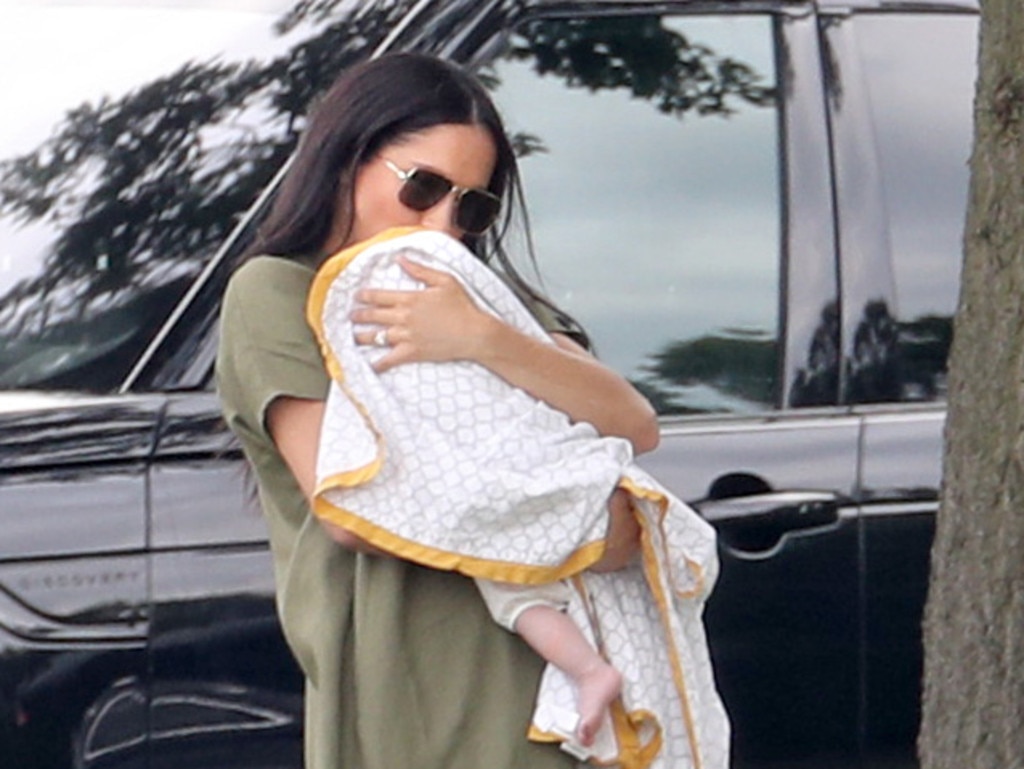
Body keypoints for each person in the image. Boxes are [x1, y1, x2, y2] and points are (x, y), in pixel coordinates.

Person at [216, 51, 660, 769]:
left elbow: (633, 423)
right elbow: (357, 505)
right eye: (422, 186)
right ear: (347, 158)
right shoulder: (276, 294)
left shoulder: (483, 299)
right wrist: (579, 519)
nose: (442, 222)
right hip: (402, 709)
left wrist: (480, 335)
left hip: (552, 710)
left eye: (472, 205)